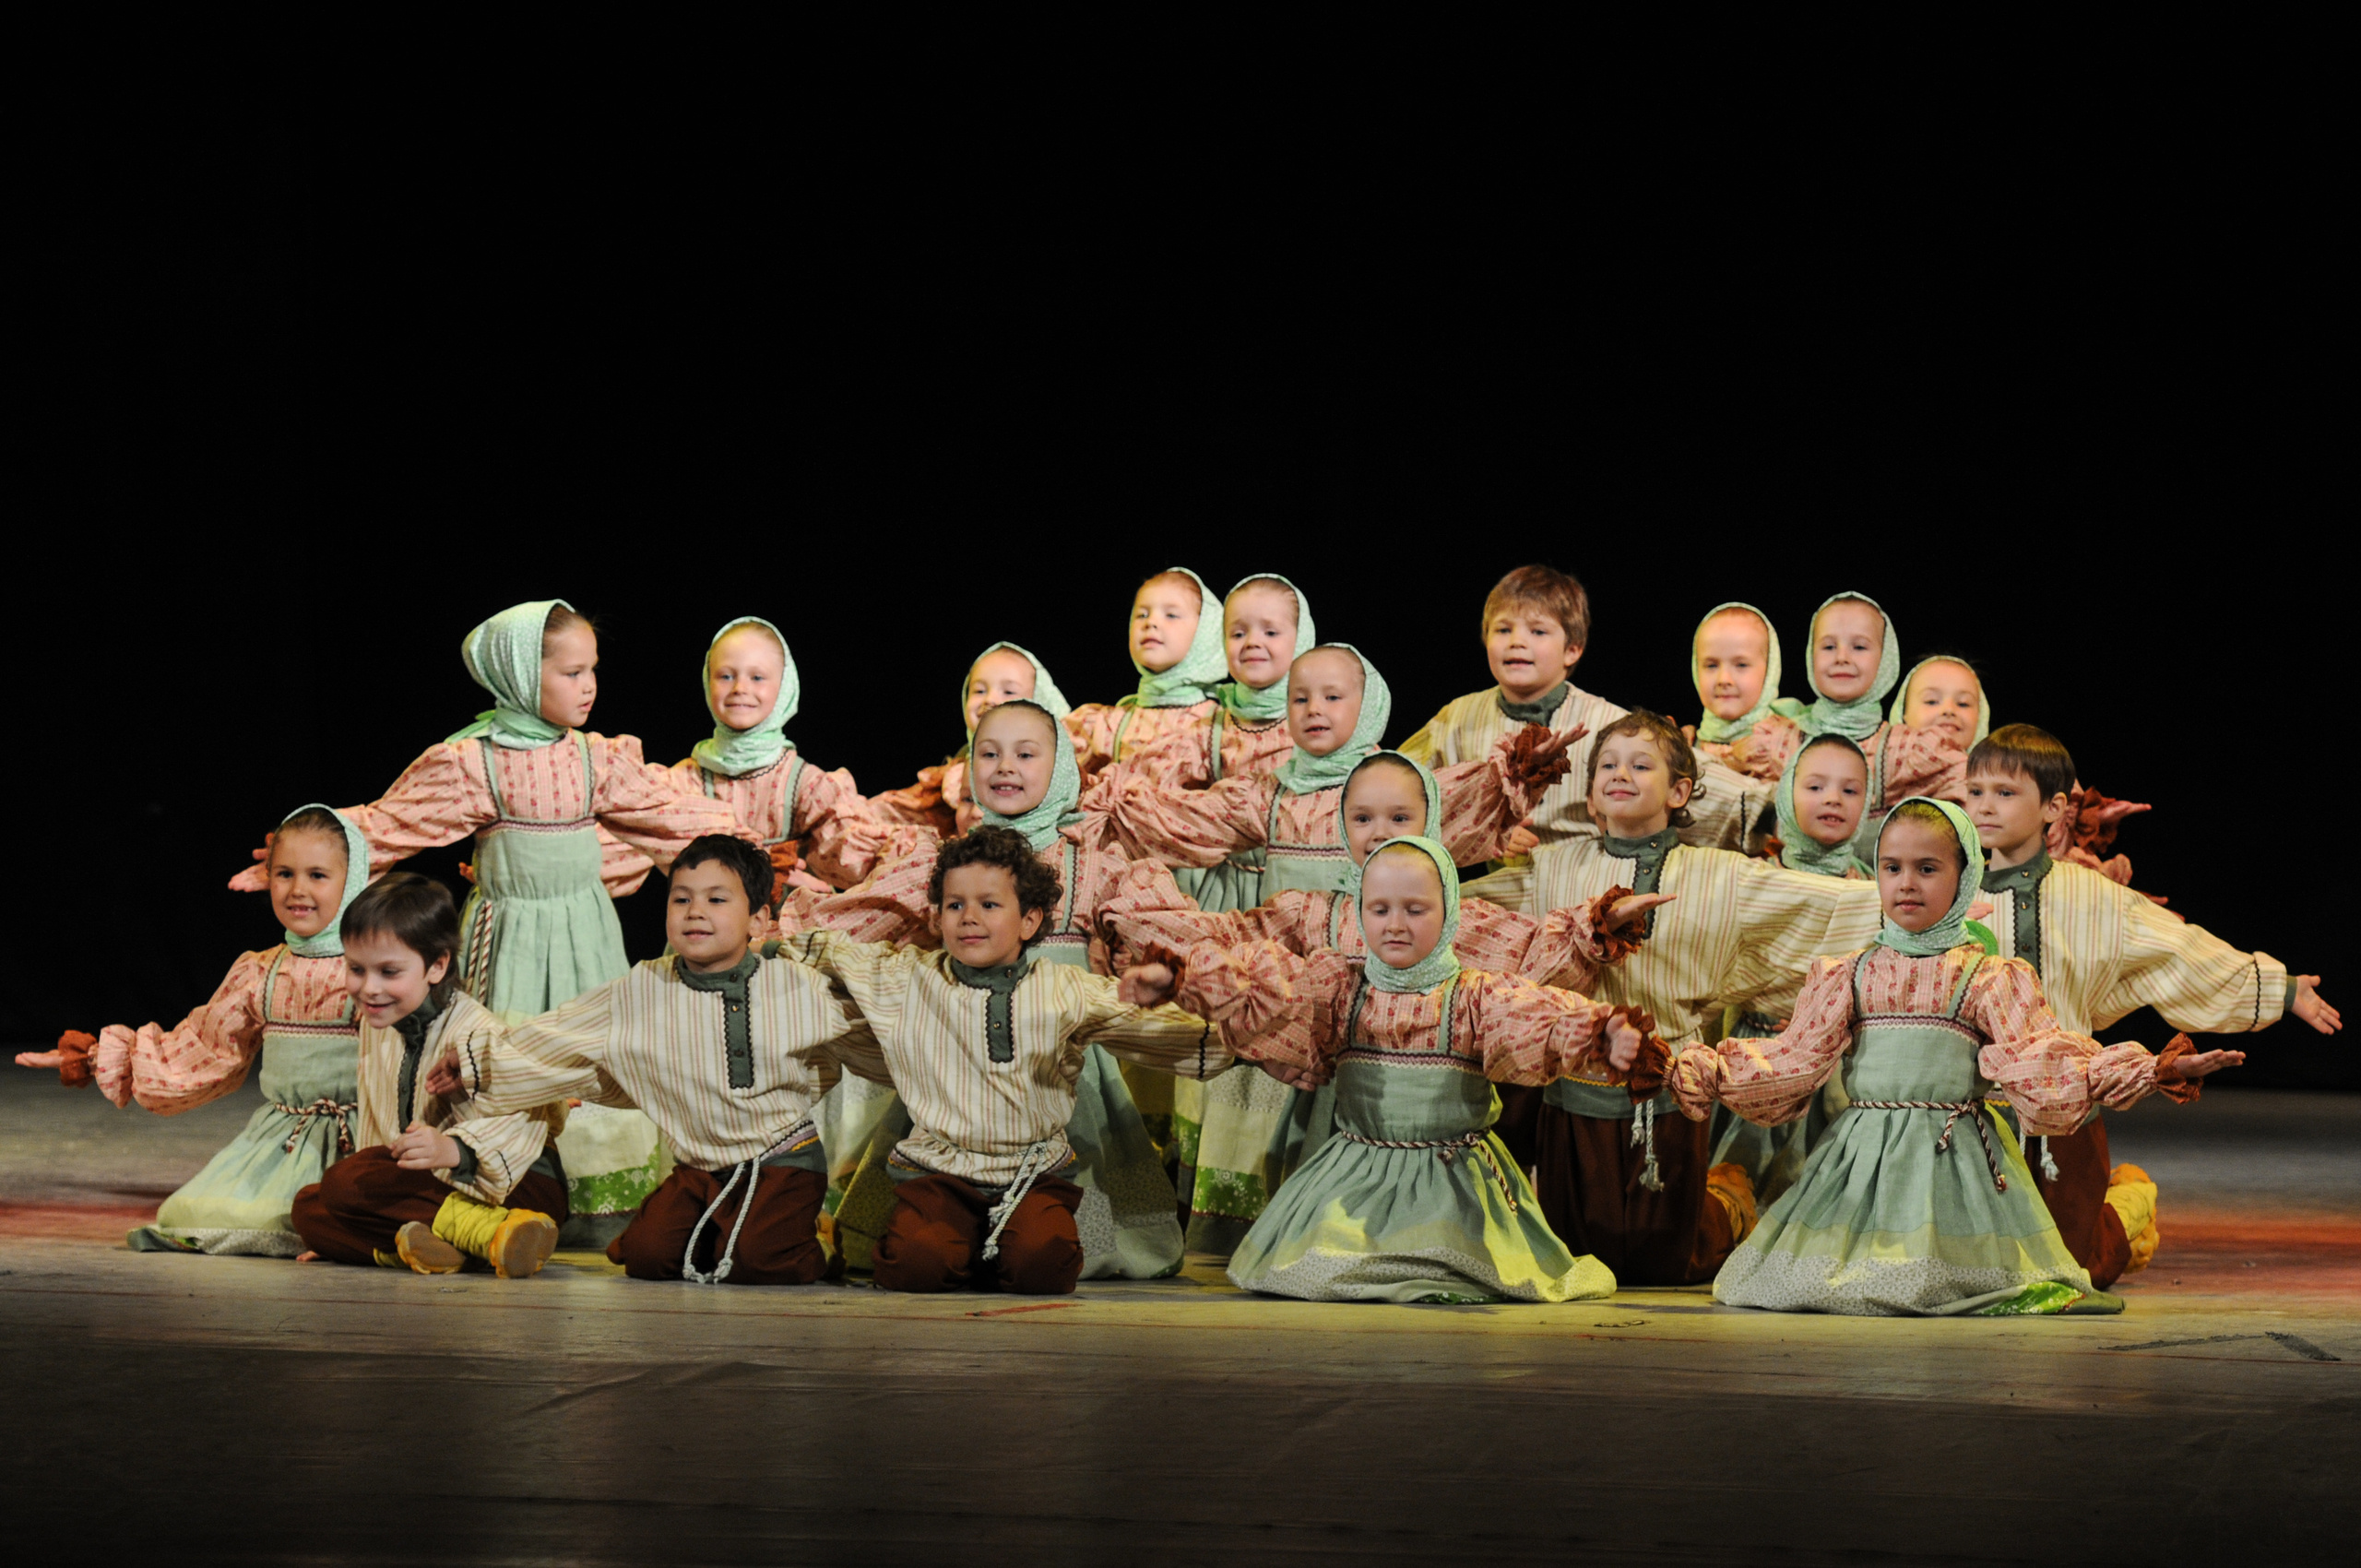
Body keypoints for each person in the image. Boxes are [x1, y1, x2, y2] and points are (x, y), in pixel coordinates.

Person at [228, 600, 757, 1239]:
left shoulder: (594, 759)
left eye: (591, 670)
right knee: (492, 1062)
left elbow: (670, 813)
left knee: (595, 1056)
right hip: (508, 941)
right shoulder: (475, 761)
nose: (588, 686)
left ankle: (589, 1204)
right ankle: (479, 1185)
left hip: (584, 940)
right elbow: (393, 820)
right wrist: (310, 848)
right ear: (517, 675)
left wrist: (744, 844)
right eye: (570, 672)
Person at [1644, 798, 2244, 1316]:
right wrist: (1700, 1068)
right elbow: (1794, 1058)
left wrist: (2150, 1068)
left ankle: (2128, 1201)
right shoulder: (1850, 973)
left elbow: (2042, 1056)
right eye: (1892, 867)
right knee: (1795, 1281)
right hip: (1861, 1159)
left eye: (1927, 868)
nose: (1906, 883)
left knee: (1945, 1281)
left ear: (1965, 878)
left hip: (1953, 1155)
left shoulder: (1986, 977)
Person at [783, 700, 1198, 1279]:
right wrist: (780, 945)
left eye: (1026, 754)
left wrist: (1170, 972)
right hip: (955, 1057)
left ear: (1062, 768)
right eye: (989, 753)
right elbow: (866, 918)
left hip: (1052, 1067)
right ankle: (947, 1240)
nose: (1006, 766)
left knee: (1057, 1234)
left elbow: (1166, 929)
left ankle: (1040, 1242)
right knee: (924, 1235)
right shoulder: (950, 859)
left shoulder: (1091, 863)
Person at [768, 828, 1259, 1296]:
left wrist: (1197, 1005)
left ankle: (993, 1249)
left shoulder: (1061, 990)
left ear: (1029, 920)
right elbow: (829, 953)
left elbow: (1148, 1025)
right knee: (917, 1263)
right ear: (936, 917)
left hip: (1031, 1172)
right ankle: (959, 1247)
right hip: (941, 1172)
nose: (968, 917)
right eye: (955, 905)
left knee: (1043, 1265)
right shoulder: (906, 978)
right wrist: (763, 951)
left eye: (989, 905)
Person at [1163, 837, 1650, 1303]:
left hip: (1450, 1176)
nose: (1396, 924)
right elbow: (1276, 992)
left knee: (1444, 1259)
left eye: (1415, 910)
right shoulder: (1342, 987)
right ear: (1360, 913)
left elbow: (1536, 1018)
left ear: (1450, 913)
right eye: (1380, 910)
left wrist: (1601, 1033)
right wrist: (1188, 979)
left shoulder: (1475, 996)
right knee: (1318, 1263)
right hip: (1353, 1173)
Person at [1965, 724, 2340, 1284]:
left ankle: (2127, 1201)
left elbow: (2176, 948)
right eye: (1975, 792)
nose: (1985, 806)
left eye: (2005, 792)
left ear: (2054, 808)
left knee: (2072, 1273)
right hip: (1975, 1110)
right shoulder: (1950, 892)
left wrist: (2278, 988)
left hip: (2063, 1110)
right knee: (1977, 1269)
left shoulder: (2088, 894)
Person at [1521, 712, 1882, 1285]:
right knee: (1582, 1252)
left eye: (1642, 765)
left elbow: (1816, 904)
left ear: (1680, 791)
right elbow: (1475, 917)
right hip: (1574, 1092)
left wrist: (1913, 911)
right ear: (1589, 794)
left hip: (1667, 1090)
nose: (1622, 774)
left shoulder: (1721, 876)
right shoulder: (1549, 867)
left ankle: (1730, 1204)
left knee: (1664, 1259)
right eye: (1608, 766)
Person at [428, 837, 880, 1285]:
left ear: (758, 919)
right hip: (700, 1166)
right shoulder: (643, 987)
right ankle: (720, 1233)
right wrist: (476, 1064)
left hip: (782, 1163)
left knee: (760, 1261)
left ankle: (811, 1238)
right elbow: (561, 1031)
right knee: (647, 1258)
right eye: (681, 899)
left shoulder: (796, 985)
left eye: (716, 899)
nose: (695, 911)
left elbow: (873, 1034)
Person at [18, 806, 373, 1255]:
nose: (298, 890)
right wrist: (93, 1058)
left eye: (318, 875)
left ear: (354, 879)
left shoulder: (375, 969)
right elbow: (200, 1048)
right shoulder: (260, 972)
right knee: (197, 1213)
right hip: (281, 1144)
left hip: (366, 1138)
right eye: (284, 874)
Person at [1400, 566, 1771, 914]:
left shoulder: (1606, 724)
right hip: (1500, 892)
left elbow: (1694, 779)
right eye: (1502, 630)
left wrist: (1779, 808)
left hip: (1584, 887)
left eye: (1537, 631)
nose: (1516, 642)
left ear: (1572, 649)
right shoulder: (1458, 719)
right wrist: (1482, 833)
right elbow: (1399, 796)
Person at [291, 874, 569, 1278]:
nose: (369, 988)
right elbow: (376, 1126)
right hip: (427, 1189)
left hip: (517, 1186)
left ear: (437, 965)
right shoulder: (377, 1024)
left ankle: (492, 1231)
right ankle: (439, 1248)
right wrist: (361, 1208)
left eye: (389, 971)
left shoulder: (478, 1031)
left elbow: (528, 1114)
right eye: (356, 969)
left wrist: (455, 1151)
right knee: (311, 1208)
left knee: (344, 1185)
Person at [1064, 567, 1230, 785]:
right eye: (1142, 614)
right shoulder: (1106, 725)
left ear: (1206, 632)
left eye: (1171, 615)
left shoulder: (1221, 729)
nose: (1150, 622)